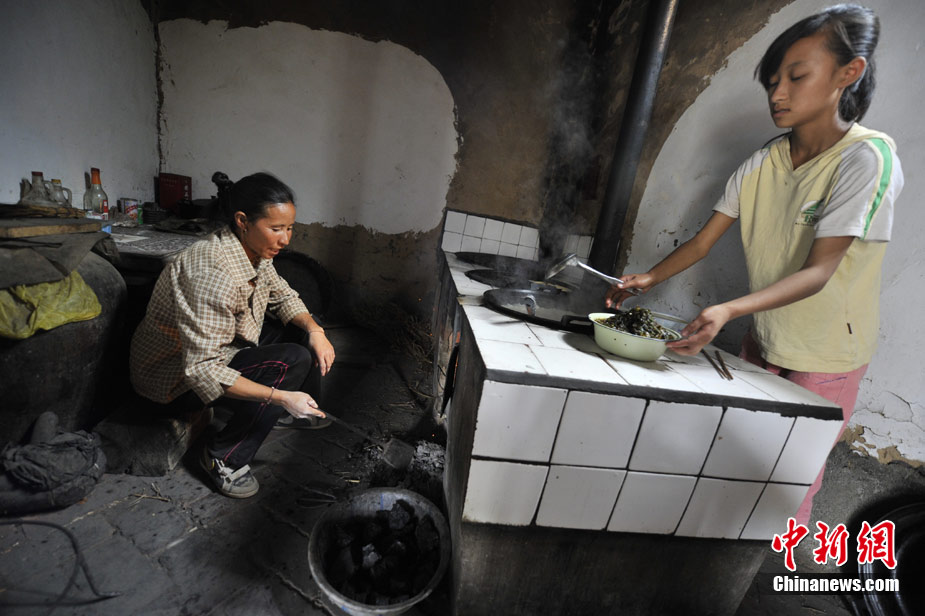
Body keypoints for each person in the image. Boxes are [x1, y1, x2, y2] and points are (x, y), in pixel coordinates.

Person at [605, 5, 903, 525]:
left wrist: (727, 309)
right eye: (771, 82)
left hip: (826, 355)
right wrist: (649, 278)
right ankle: (718, 546)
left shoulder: (866, 160)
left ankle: (769, 565)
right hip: (765, 337)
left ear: (847, 73)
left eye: (796, 76)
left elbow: (819, 272)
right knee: (738, 452)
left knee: (790, 473)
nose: (777, 94)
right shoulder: (765, 161)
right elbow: (703, 242)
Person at [130, 172, 336, 498]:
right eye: (276, 229)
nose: (286, 239)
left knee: (302, 331)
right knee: (290, 361)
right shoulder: (211, 274)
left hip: (222, 348)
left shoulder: (252, 249)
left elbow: (283, 296)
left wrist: (316, 330)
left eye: (290, 228)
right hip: (174, 378)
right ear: (242, 221)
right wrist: (280, 396)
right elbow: (202, 370)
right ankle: (223, 457)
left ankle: (291, 410)